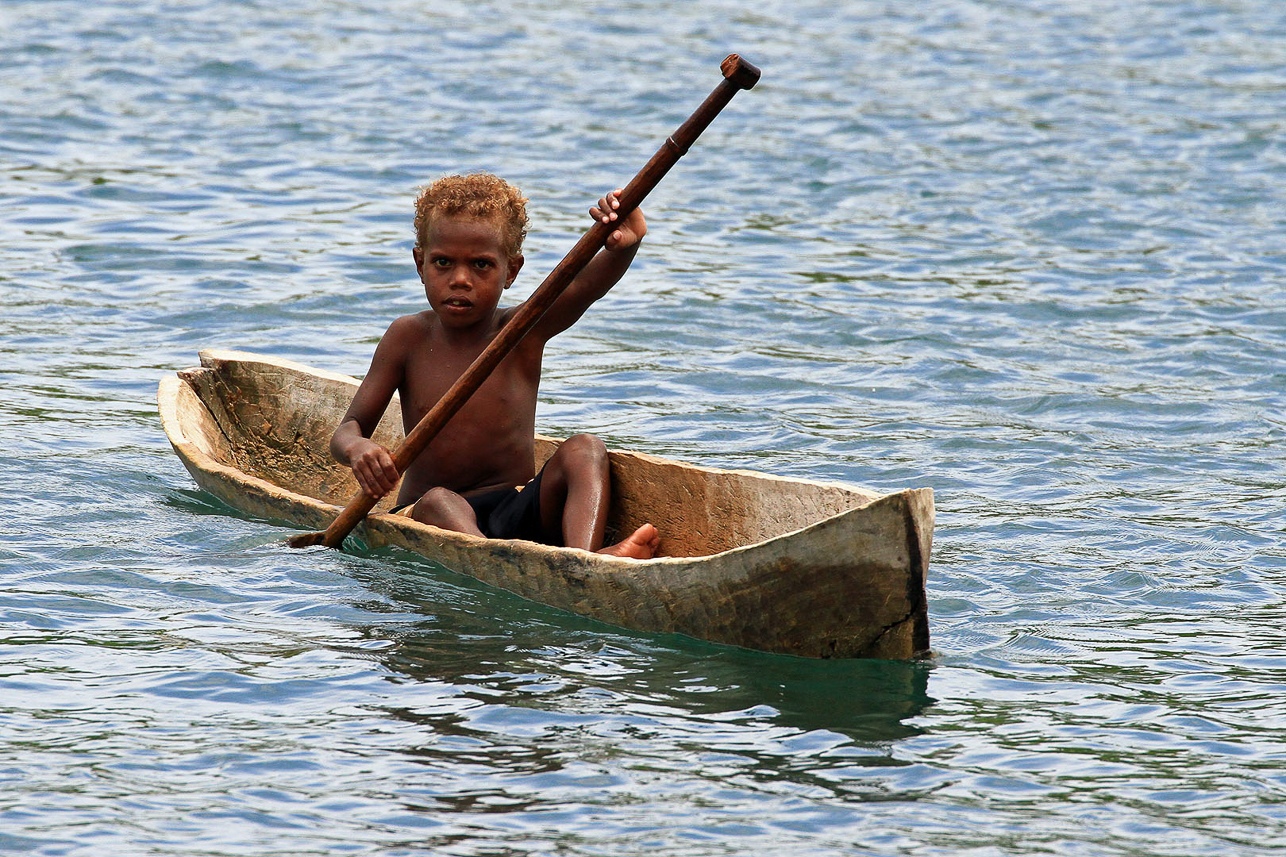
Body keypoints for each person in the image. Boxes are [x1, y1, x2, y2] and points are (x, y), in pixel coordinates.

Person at [329, 173, 661, 559]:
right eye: (442, 263)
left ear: (512, 271)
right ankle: (502, 566)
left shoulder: (521, 330)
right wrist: (358, 449)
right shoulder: (407, 337)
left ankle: (583, 566)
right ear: (420, 263)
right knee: (440, 500)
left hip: (514, 508)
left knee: (585, 449)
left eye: (482, 265)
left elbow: (583, 287)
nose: (460, 279)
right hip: (430, 514)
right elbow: (347, 430)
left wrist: (625, 246)